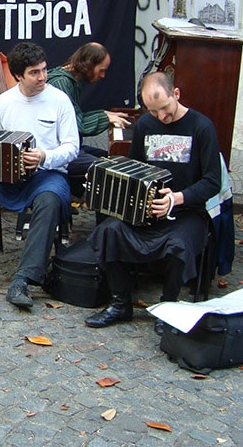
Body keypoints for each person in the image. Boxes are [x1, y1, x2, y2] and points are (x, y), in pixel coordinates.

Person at [84, 71, 221, 334]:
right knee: (109, 231)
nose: (162, 117)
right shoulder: (146, 125)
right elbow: (134, 167)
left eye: (165, 109)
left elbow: (213, 181)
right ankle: (120, 302)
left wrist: (177, 198)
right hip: (147, 211)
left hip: (186, 213)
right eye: (154, 111)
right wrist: (103, 172)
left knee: (178, 244)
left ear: (176, 94)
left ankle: (168, 306)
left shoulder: (202, 127)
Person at [0, 42, 79, 308]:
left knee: (50, 200)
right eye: (34, 72)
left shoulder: (59, 100)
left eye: (44, 70)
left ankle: (24, 278)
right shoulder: (6, 101)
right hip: (7, 177)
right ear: (19, 75)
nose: (42, 77)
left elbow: (72, 147)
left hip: (48, 174)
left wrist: (44, 155)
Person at [47, 42, 132, 195]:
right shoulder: (61, 83)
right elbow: (79, 126)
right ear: (88, 65)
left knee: (113, 159)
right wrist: (105, 118)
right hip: (58, 151)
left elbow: (75, 118)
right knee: (109, 170)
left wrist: (105, 114)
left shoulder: (69, 80)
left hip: (72, 146)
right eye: (101, 70)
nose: (102, 75)